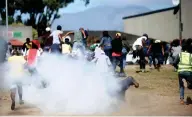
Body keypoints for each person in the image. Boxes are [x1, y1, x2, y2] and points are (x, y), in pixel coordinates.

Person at [175, 38, 192, 104]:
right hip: (189, 72)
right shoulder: (191, 55)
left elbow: (174, 62)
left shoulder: (180, 54)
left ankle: (182, 100)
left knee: (181, 86)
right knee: (190, 85)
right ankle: (188, 84)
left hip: (181, 72)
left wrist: (178, 67)